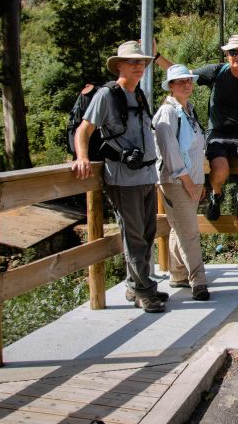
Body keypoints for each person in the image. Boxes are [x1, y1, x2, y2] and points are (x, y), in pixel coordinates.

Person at [72, 41, 166, 313]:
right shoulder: (107, 94)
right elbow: (85, 130)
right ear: (119, 66)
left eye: (142, 62)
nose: (139, 66)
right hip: (123, 179)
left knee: (146, 234)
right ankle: (145, 293)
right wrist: (82, 157)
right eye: (133, 62)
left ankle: (135, 285)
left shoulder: (138, 94)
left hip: (147, 175)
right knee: (135, 237)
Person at [160, 34, 238, 222]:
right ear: (227, 55)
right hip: (217, 134)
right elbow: (180, 75)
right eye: (233, 52)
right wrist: (156, 57)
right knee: (220, 171)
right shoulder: (216, 72)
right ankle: (216, 195)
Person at [153, 64, 210, 301]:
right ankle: (199, 281)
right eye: (180, 82)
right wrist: (189, 182)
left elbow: (197, 147)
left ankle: (178, 274)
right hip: (176, 181)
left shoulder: (188, 109)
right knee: (190, 232)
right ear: (171, 86)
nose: (186, 85)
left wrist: (200, 180)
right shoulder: (168, 112)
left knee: (180, 228)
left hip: (192, 179)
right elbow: (170, 151)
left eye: (188, 80)